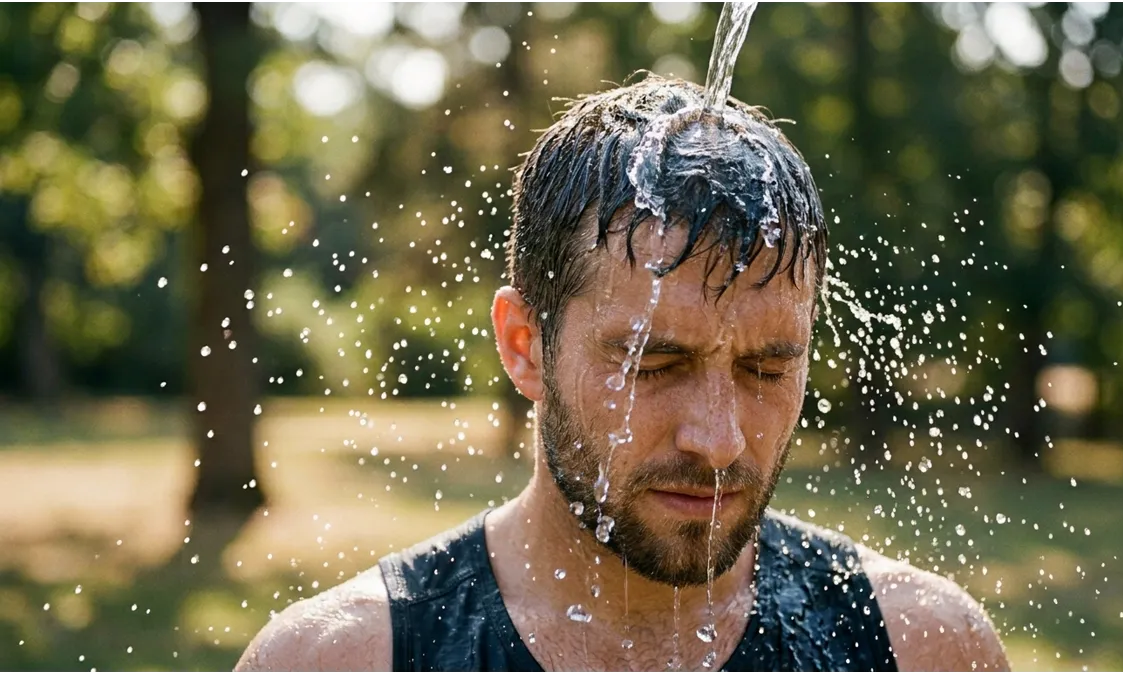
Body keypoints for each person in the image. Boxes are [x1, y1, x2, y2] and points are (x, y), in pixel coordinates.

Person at [234, 76, 1010, 673]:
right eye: (654, 362)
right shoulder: (344, 657)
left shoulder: (922, 647)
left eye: (767, 367)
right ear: (523, 344)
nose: (717, 438)